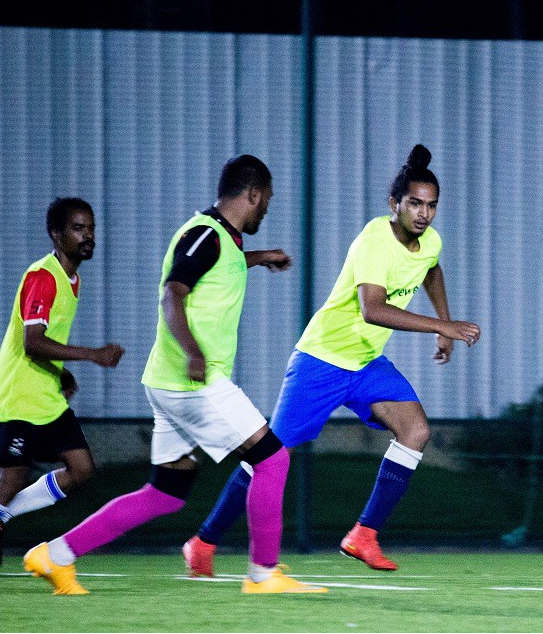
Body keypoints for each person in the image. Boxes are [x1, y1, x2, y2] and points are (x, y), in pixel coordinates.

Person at [23, 155, 325, 595]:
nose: (267, 210)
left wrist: (260, 258)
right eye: (267, 202)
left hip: (168, 384)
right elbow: (173, 291)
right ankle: (264, 574)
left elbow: (217, 267)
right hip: (195, 384)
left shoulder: (218, 237)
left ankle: (55, 554)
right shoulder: (207, 234)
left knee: (165, 492)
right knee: (273, 459)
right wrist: (193, 352)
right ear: (253, 194)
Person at [182, 144, 480, 576]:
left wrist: (444, 320)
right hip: (322, 360)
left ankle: (364, 535)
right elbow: (371, 309)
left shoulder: (430, 240)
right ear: (394, 203)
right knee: (267, 456)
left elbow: (431, 267)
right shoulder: (375, 239)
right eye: (415, 203)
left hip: (365, 363)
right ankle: (203, 542)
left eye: (431, 205)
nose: (424, 213)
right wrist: (442, 328)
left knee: (415, 431)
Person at [0, 198, 125, 565]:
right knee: (11, 481)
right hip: (20, 395)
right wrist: (92, 355)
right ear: (56, 235)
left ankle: (3, 515)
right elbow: (33, 341)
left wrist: (63, 371)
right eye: (77, 228)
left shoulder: (72, 277)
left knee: (82, 469)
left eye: (91, 228)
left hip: (46, 394)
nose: (87, 235)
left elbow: (44, 339)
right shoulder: (43, 277)